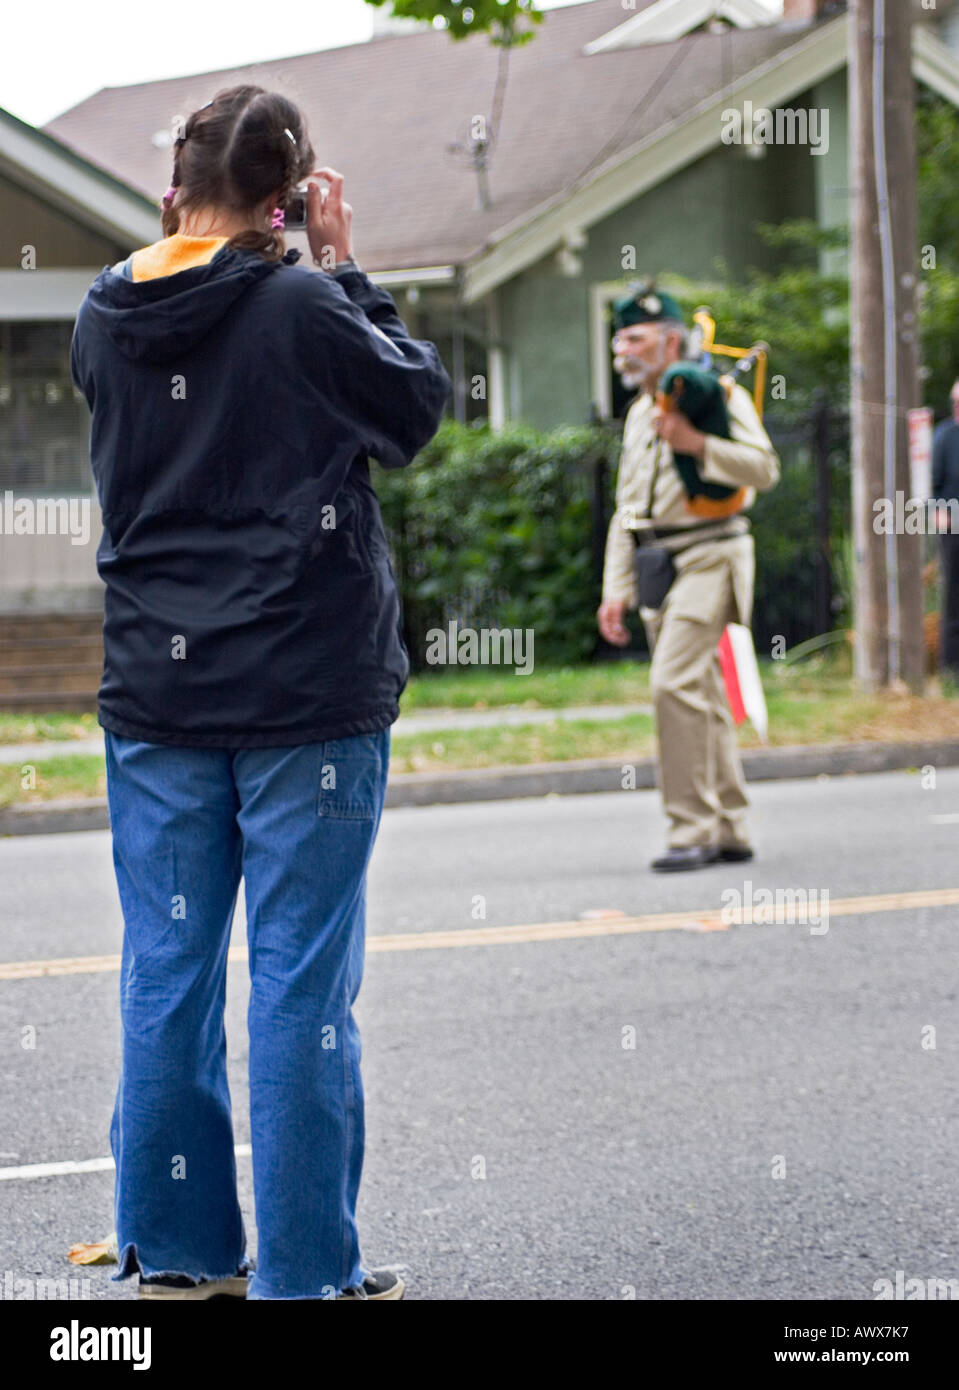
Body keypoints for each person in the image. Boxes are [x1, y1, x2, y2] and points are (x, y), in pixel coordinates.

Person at [70, 85, 451, 1300]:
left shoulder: (102, 313)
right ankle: (303, 1272)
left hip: (156, 693)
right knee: (298, 979)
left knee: (165, 973)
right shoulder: (302, 304)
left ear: (171, 188)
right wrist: (346, 271)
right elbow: (412, 410)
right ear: (292, 200)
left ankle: (180, 1255)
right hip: (305, 691)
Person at [597, 284, 779, 872]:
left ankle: (690, 830)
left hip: (711, 554)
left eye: (636, 338)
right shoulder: (638, 415)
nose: (623, 349)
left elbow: (764, 469)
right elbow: (629, 509)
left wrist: (697, 443)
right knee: (700, 693)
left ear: (672, 340)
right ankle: (729, 826)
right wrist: (615, 587)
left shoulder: (719, 396)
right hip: (657, 564)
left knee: (671, 685)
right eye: (619, 338)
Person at [932, 377, 959, 681]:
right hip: (954, 529)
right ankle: (951, 672)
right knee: (953, 600)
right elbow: (934, 484)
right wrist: (939, 512)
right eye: (954, 402)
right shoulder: (944, 436)